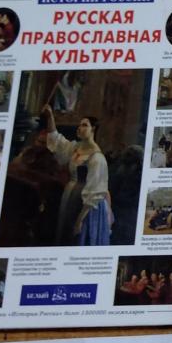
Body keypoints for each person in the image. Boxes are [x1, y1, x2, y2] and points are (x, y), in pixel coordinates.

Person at [42, 105, 113, 246]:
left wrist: (81, 219)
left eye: (84, 125)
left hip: (87, 205)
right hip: (70, 196)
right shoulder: (75, 147)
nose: (79, 128)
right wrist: (50, 117)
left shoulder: (97, 157)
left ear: (93, 129)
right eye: (79, 125)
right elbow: (57, 141)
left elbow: (96, 191)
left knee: (79, 236)